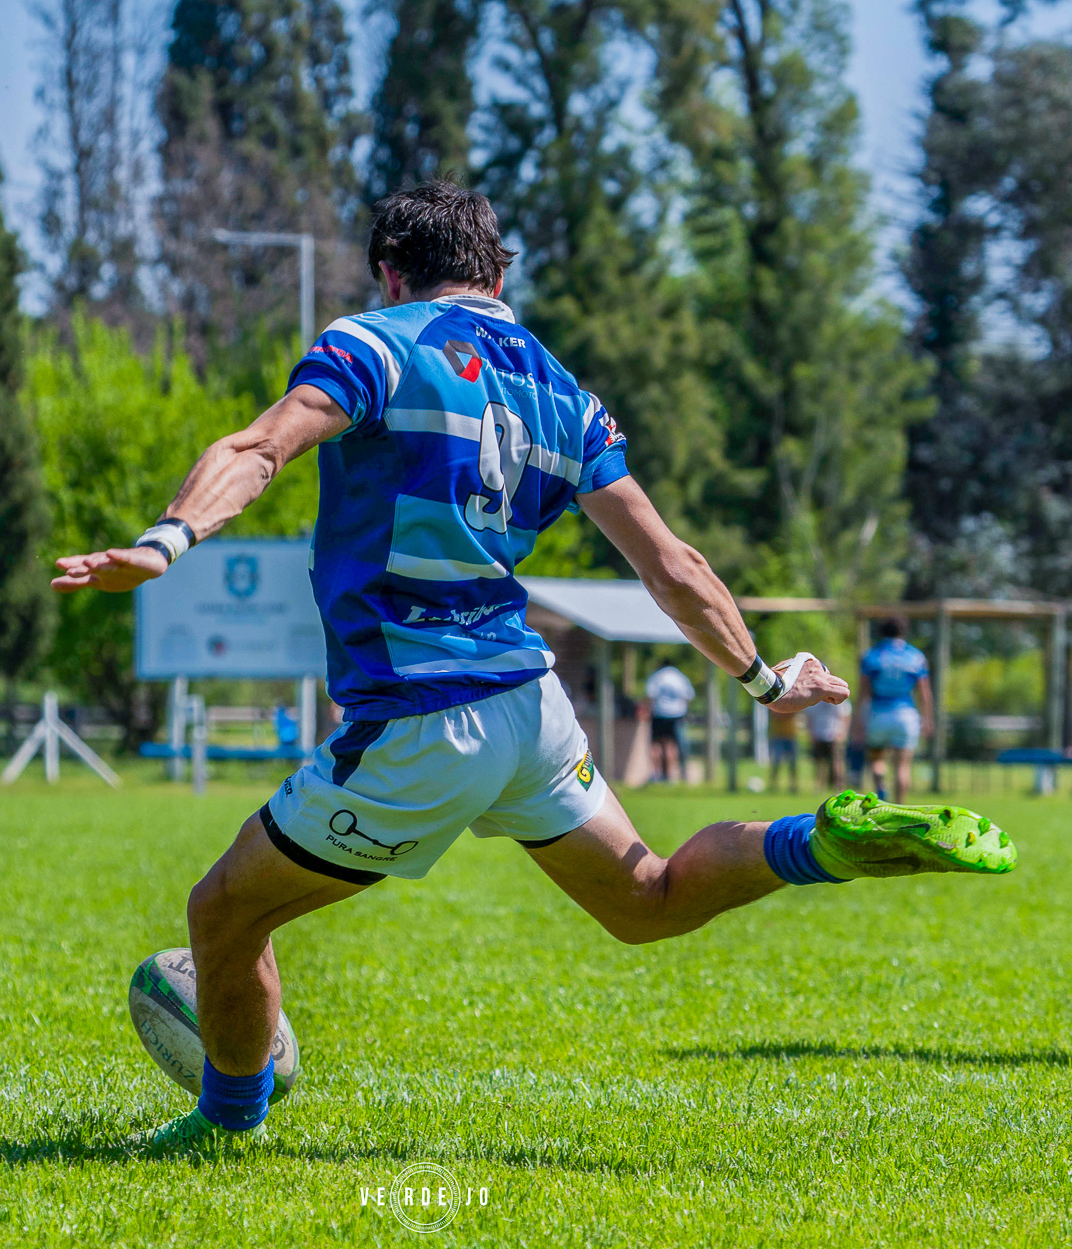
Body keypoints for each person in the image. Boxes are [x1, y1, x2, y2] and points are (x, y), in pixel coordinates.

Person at [51, 181, 1016, 1155]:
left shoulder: (375, 343)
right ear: (499, 271)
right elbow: (671, 565)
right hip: (530, 706)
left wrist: (168, 539)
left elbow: (261, 447)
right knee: (648, 902)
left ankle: (223, 1129)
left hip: (423, 717)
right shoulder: (564, 393)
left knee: (223, 912)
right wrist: (768, 680)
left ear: (392, 270)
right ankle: (824, 840)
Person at [853, 619, 934, 804]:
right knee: (902, 766)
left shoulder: (872, 656)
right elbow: (925, 693)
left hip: (878, 714)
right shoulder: (916, 656)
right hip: (906, 715)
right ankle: (899, 807)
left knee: (877, 759)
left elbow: (863, 692)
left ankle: (881, 786)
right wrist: (928, 719)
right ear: (903, 632)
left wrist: (857, 721)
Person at [644, 663, 696, 783]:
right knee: (671, 745)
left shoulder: (657, 676)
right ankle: (669, 775)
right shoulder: (680, 677)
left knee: (656, 745)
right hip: (676, 714)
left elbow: (650, 695)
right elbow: (689, 696)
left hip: (659, 714)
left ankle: (657, 774)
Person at [804, 695, 850, 789]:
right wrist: (811, 734)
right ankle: (820, 785)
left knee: (837, 762)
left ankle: (839, 785)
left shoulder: (839, 700)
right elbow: (809, 718)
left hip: (835, 735)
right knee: (820, 762)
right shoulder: (814, 701)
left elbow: (845, 717)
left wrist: (843, 733)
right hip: (819, 735)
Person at [768, 707, 800, 793]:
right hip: (778, 736)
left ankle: (793, 785)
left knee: (792, 764)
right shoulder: (776, 702)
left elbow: (794, 713)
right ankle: (773, 785)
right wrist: (787, 712)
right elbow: (776, 715)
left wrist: (783, 712)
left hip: (791, 736)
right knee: (776, 762)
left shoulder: (792, 702)